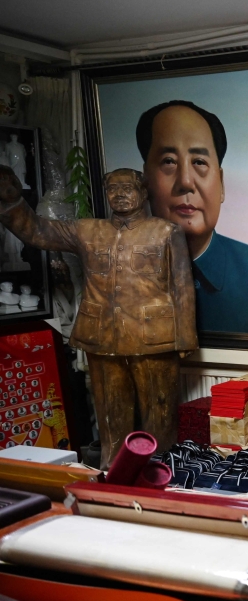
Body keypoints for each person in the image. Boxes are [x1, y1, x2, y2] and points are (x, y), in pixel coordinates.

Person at [0, 166, 197, 468]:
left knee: (159, 414)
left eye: (127, 188)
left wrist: (185, 337)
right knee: (110, 414)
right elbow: (36, 230)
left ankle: (160, 472)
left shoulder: (165, 231)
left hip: (154, 338)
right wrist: (12, 200)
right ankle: (113, 471)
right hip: (102, 336)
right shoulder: (87, 230)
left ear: (143, 193)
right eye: (112, 188)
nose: (119, 194)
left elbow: (182, 286)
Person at [138, 100, 248, 335]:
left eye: (199, 162)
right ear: (144, 180)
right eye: (169, 161)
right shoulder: (124, 275)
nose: (186, 182)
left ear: (221, 184)